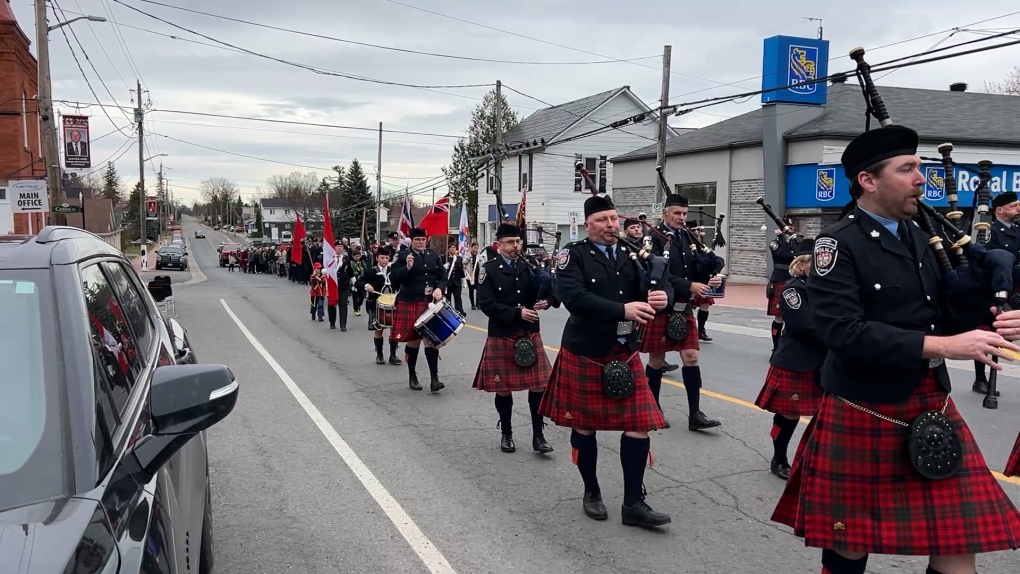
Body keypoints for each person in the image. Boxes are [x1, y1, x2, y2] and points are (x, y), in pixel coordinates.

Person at [772, 125, 1020, 574]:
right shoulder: (836, 244)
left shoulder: (919, 236)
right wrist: (944, 344)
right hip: (865, 406)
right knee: (849, 542)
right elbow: (842, 332)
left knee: (958, 542)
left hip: (930, 401)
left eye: (921, 169)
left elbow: (939, 314)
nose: (921, 179)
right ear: (868, 180)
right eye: (907, 169)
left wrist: (991, 318)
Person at [539, 194, 672, 528]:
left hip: (624, 350)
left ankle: (633, 503)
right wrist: (622, 310)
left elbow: (658, 286)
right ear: (588, 225)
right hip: (586, 350)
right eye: (603, 220)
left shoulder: (632, 253)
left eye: (613, 219)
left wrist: (661, 295)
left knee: (639, 425)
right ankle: (591, 490)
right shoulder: (574, 256)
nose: (611, 225)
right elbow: (574, 299)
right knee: (584, 424)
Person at [640, 194, 722, 431]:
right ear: (665, 213)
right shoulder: (653, 238)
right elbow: (654, 271)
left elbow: (700, 265)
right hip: (662, 305)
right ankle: (653, 407)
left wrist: (710, 277)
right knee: (656, 359)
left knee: (691, 357)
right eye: (677, 213)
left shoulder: (687, 236)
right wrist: (689, 286)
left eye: (684, 214)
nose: (681, 218)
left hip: (684, 307)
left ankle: (695, 414)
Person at [473, 222, 555, 454]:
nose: (515, 246)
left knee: (539, 386)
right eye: (510, 242)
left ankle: (538, 436)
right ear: (499, 245)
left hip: (529, 332)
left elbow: (549, 289)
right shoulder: (489, 269)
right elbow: (486, 304)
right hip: (504, 333)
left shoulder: (530, 265)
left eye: (518, 241)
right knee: (503, 388)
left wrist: (546, 300)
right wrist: (517, 312)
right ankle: (506, 433)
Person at [753, 237, 823, 480]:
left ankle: (813, 461)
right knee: (790, 414)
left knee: (823, 414)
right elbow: (804, 325)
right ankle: (779, 458)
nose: (820, 265)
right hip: (796, 360)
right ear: (802, 264)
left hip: (823, 361)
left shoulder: (826, 287)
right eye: (815, 261)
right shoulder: (794, 289)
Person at [972, 190, 1020, 395]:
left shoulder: (1018, 229)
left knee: (1007, 334)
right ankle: (981, 379)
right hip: (995, 289)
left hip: (1015, 289)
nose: (1018, 208)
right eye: (1013, 206)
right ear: (999, 210)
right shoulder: (991, 231)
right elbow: (987, 260)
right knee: (987, 334)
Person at [389, 227, 448, 392]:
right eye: (417, 240)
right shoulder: (402, 256)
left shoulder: (433, 255)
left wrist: (439, 288)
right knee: (414, 341)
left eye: (423, 239)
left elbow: (443, 276)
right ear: (411, 240)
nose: (421, 242)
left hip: (429, 302)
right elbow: (395, 279)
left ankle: (434, 379)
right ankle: (412, 376)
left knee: (431, 339)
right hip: (410, 301)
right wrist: (407, 268)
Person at [358, 246, 402, 364]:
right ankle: (379, 355)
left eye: (387, 258)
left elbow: (400, 283)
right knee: (379, 329)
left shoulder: (393, 272)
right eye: (382, 258)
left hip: (392, 305)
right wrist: (367, 285)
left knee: (394, 330)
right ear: (377, 258)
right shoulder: (371, 271)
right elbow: (359, 282)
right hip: (376, 305)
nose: (384, 260)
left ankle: (393, 355)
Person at [767, 223, 797, 353]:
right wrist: (783, 239)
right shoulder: (776, 243)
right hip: (780, 279)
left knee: (792, 316)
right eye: (787, 228)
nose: (789, 230)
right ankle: (776, 346)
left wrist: (793, 240)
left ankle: (787, 345)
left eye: (791, 228)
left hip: (794, 280)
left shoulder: (795, 242)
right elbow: (783, 255)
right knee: (779, 317)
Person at [443, 243, 466, 315]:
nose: (452, 249)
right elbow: (440, 269)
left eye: (454, 247)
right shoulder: (444, 258)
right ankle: (448, 312)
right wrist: (444, 267)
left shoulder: (459, 258)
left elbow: (461, 270)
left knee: (458, 297)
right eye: (451, 247)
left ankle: (459, 311)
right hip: (448, 282)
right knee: (448, 298)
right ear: (448, 249)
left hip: (457, 281)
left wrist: (464, 281)